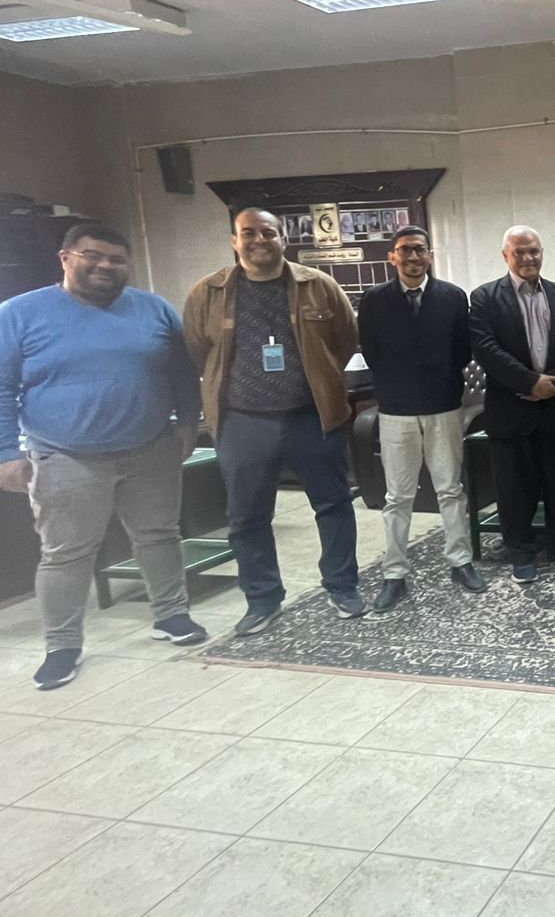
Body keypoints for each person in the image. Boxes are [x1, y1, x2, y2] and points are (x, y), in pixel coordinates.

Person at [0, 223, 206, 690]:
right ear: (65, 257)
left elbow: (181, 373)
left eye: (116, 259)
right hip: (64, 456)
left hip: (150, 448)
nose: (105, 266)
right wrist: (6, 453)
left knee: (159, 536)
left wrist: (188, 425)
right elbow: (2, 388)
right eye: (92, 256)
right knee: (65, 554)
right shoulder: (19, 314)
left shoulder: (154, 309)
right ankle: (62, 645)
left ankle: (171, 615)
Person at [184, 207, 364, 633]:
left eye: (269, 232)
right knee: (247, 516)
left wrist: (317, 380)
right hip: (242, 423)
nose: (259, 240)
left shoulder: (318, 286)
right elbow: (197, 350)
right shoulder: (208, 293)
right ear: (235, 240)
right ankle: (262, 600)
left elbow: (343, 341)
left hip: (311, 417)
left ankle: (342, 587)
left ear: (284, 238)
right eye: (249, 233)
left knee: (334, 506)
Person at [356, 224, 478, 613]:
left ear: (430, 256)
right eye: (405, 250)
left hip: (443, 405)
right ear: (393, 256)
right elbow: (371, 351)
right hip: (396, 409)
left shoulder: (453, 297)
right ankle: (394, 574)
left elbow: (462, 351)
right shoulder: (374, 300)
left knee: (450, 489)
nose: (413, 257)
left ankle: (460, 561)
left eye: (420, 250)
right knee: (398, 496)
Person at [468, 226, 555, 578]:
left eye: (533, 251)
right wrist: (529, 383)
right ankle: (520, 553)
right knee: (514, 487)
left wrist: (553, 383)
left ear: (541, 253)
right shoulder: (485, 298)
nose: (528, 258)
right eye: (519, 252)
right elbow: (485, 348)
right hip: (511, 409)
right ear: (505, 255)